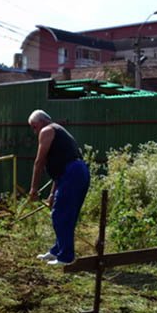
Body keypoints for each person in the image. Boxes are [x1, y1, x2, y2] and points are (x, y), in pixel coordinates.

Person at [28, 109, 91, 266]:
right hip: (73, 173)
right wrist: (51, 195)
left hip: (73, 173)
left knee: (61, 215)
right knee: (62, 212)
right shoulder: (58, 131)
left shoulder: (47, 130)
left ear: (42, 122)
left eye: (34, 126)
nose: (34, 131)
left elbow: (39, 162)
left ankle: (66, 257)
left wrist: (34, 189)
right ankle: (57, 250)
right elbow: (58, 171)